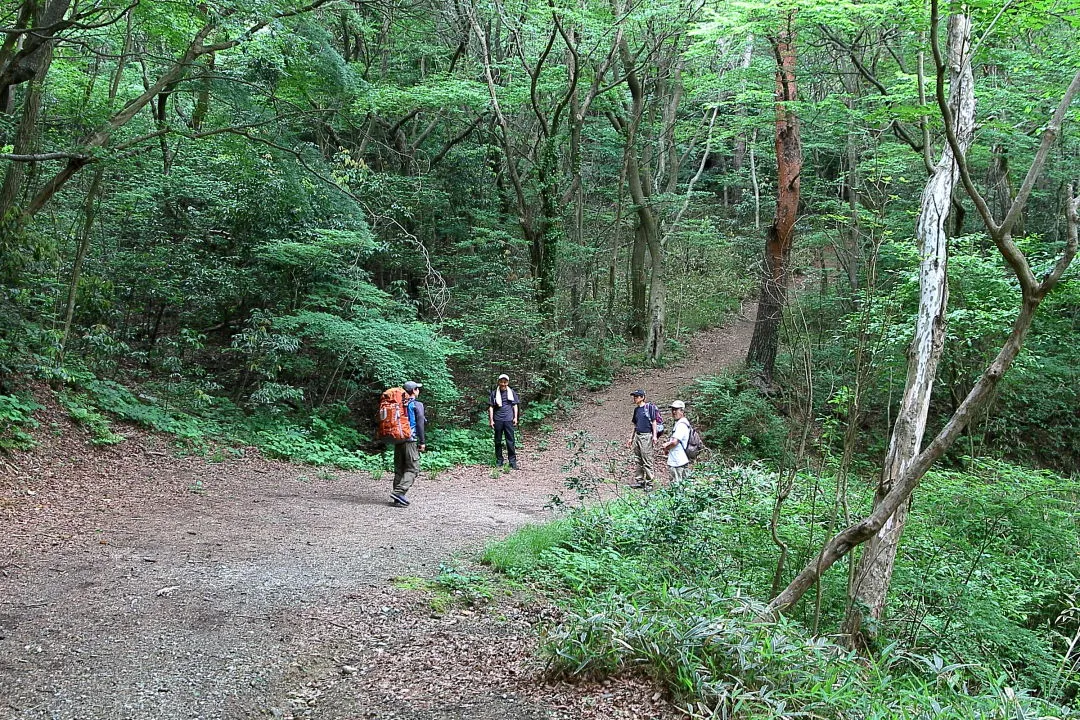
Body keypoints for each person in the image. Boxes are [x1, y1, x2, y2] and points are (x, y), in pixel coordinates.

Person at [391, 381, 425, 507]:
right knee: (413, 468)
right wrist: (422, 441)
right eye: (418, 389)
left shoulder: (398, 404)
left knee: (400, 469)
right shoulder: (417, 404)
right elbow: (420, 422)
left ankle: (397, 496)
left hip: (398, 439)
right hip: (410, 440)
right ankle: (399, 493)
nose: (419, 391)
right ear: (414, 390)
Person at [626, 389, 658, 489]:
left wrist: (654, 436)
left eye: (637, 396)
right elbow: (635, 425)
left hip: (646, 436)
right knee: (638, 459)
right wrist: (631, 438)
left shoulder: (649, 408)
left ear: (642, 397)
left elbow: (654, 422)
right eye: (634, 396)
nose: (635, 398)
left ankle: (649, 483)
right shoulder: (636, 410)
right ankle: (639, 480)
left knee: (647, 459)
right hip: (638, 436)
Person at [488, 373, 520, 469]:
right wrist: (491, 420)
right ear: (499, 382)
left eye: (505, 382)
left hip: (508, 419)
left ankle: (512, 462)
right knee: (498, 441)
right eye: (501, 382)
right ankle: (499, 461)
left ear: (507, 382)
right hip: (498, 419)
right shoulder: (494, 393)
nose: (503, 384)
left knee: (510, 441)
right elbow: (491, 407)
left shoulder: (512, 392)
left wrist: (515, 417)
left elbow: (515, 405)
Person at [663, 400, 692, 482]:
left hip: (678, 461)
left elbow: (675, 442)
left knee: (677, 486)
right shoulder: (680, 423)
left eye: (676, 409)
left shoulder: (681, 425)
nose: (674, 412)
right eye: (672, 409)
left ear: (682, 411)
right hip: (679, 460)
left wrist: (666, 447)